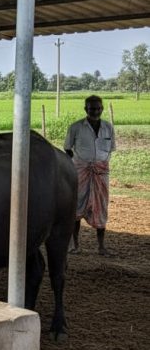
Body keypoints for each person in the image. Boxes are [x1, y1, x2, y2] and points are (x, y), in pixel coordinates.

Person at [64, 95, 116, 256]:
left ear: (102, 108)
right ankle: (75, 245)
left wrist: (99, 164)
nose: (96, 111)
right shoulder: (76, 127)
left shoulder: (108, 127)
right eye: (92, 108)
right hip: (81, 172)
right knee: (77, 206)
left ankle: (101, 246)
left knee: (101, 207)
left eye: (99, 108)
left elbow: (111, 149)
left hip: (101, 173)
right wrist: (79, 163)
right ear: (86, 109)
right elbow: (67, 148)